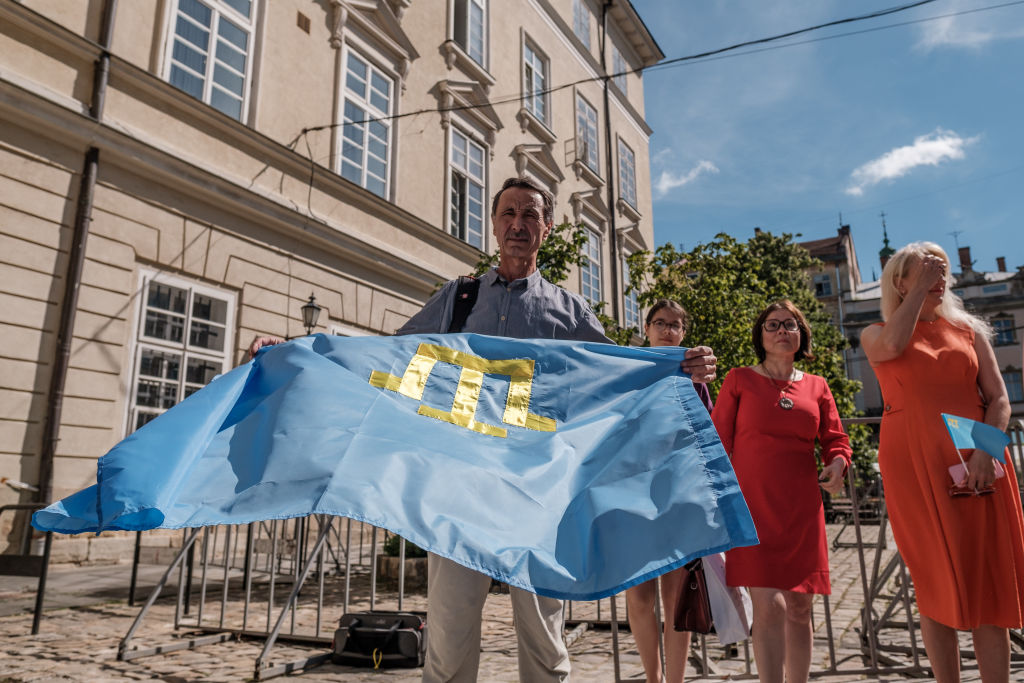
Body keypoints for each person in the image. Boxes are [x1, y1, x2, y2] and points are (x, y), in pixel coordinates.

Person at [249, 176, 718, 683]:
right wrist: (301, 348)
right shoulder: (459, 299)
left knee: (544, 642)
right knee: (448, 640)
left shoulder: (569, 311)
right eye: (509, 214)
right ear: (493, 225)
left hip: (538, 496)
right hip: (458, 488)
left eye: (530, 215)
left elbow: (618, 374)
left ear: (548, 228)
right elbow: (389, 355)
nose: (519, 225)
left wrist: (675, 366)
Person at [860, 242, 1024, 683]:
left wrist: (987, 453)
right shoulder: (875, 332)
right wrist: (917, 294)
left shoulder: (969, 331)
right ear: (900, 282)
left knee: (990, 579)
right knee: (934, 580)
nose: (941, 277)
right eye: (929, 270)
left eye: (944, 269)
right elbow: (894, 344)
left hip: (978, 455)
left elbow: (999, 399)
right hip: (914, 463)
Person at [711, 300, 850, 683]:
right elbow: (718, 441)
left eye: (790, 324)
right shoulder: (738, 379)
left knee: (801, 607)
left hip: (802, 510)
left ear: (801, 334)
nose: (781, 331)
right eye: (772, 325)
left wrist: (838, 463)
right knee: (769, 607)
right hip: (752, 508)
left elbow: (836, 440)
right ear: (760, 335)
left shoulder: (818, 386)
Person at [624, 299, 712, 683]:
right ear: (646, 329)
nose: (667, 330)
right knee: (639, 598)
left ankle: (674, 681)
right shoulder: (627, 372)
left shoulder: (696, 381)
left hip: (678, 498)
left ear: (684, 333)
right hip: (634, 496)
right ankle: (652, 678)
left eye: (675, 325)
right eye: (659, 322)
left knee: (675, 600)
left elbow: (709, 439)